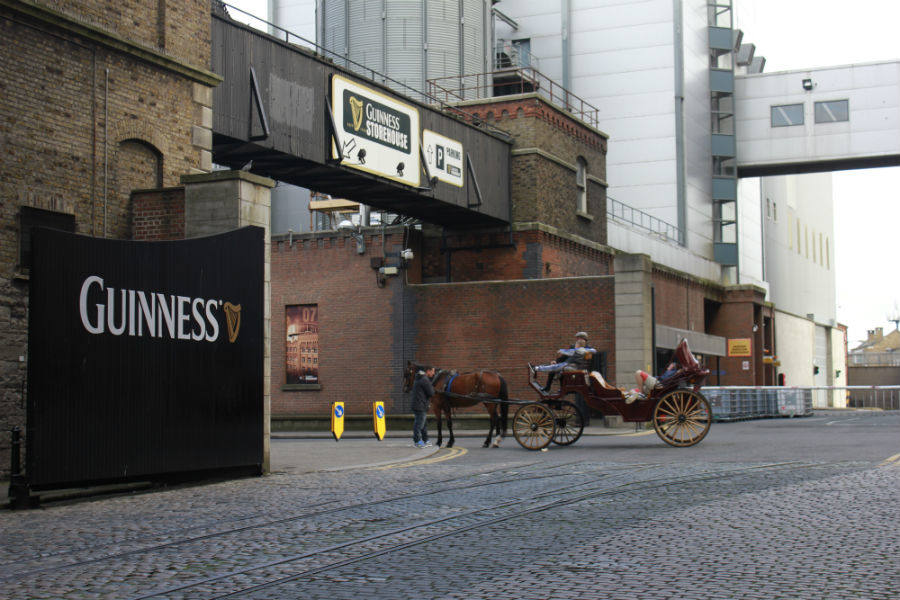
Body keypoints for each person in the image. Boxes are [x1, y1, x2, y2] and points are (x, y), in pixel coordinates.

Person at [533, 331, 597, 392]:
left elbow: (569, 353)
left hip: (574, 367)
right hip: (569, 364)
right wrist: (556, 361)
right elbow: (564, 357)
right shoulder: (577, 347)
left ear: (582, 338)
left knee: (558, 369)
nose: (576, 340)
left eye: (577, 338)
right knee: (554, 369)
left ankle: (562, 388)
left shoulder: (587, 349)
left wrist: (562, 351)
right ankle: (548, 387)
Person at [410, 365, 435, 448]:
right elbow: (431, 393)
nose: (433, 374)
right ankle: (417, 441)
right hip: (420, 405)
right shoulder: (424, 379)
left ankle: (426, 440)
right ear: (428, 371)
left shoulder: (420, 378)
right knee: (419, 424)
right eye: (432, 371)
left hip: (419, 404)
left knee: (423, 424)